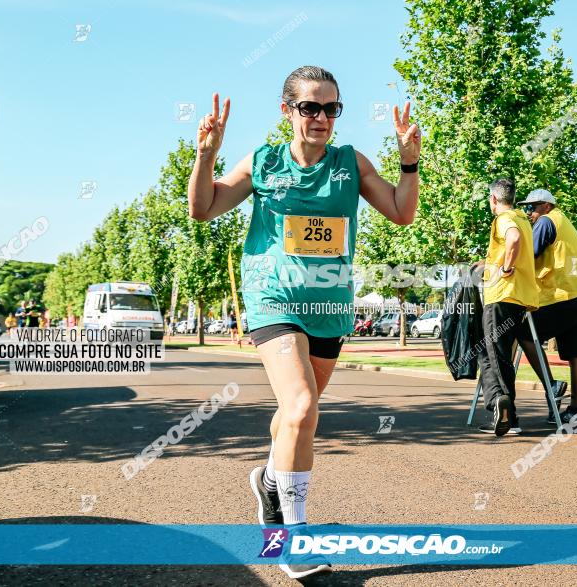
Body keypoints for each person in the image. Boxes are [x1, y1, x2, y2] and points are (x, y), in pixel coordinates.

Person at [187, 66, 420, 580]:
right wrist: (206, 156)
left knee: (297, 417)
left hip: (329, 306)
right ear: (287, 110)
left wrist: (409, 163)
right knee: (300, 405)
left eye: (330, 108)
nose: (320, 118)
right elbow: (203, 209)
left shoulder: (350, 163)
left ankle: (271, 483)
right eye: (309, 107)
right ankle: (294, 538)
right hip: (273, 298)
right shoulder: (264, 162)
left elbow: (402, 214)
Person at [518, 189, 577, 425]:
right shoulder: (564, 222)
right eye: (527, 208)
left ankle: (551, 385)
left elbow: (527, 255)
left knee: (523, 333)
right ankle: (576, 410)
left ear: (546, 205)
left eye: (532, 207)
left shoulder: (546, 221)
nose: (529, 213)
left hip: (566, 295)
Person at [473, 179, 541, 436]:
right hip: (521, 298)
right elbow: (515, 244)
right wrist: (490, 262)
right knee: (499, 355)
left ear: (493, 199)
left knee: (492, 355)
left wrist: (505, 268)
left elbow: (512, 239)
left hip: (501, 295)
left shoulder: (503, 219)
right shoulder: (524, 219)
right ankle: (510, 417)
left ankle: (499, 405)